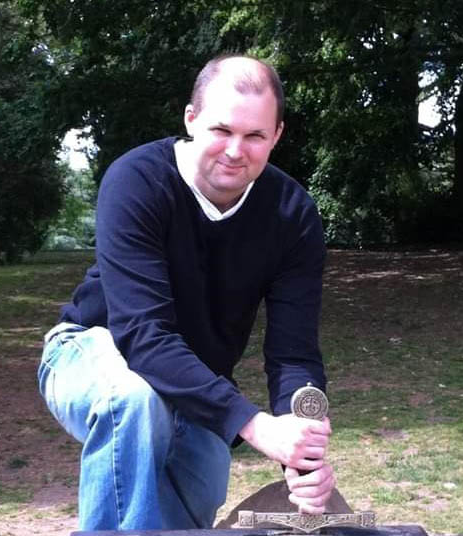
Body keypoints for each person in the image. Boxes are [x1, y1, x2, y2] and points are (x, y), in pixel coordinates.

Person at [38, 54, 336, 531]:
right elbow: (143, 336)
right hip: (90, 351)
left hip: (196, 388)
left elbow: (294, 353)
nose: (236, 150)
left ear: (276, 136)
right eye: (222, 130)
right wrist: (257, 426)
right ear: (191, 119)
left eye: (255, 136)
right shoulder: (137, 181)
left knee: (188, 511)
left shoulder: (292, 215)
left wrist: (302, 452)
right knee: (132, 400)